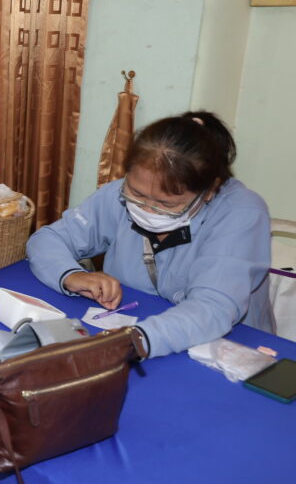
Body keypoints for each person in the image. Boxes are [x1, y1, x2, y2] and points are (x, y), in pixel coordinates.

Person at [26, 111, 272, 358]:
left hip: (226, 349)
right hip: (136, 326)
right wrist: (71, 275)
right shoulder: (117, 195)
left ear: (209, 191)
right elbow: (48, 239)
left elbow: (212, 309)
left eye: (166, 204)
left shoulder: (241, 213)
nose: (146, 209)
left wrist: (133, 340)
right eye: (137, 194)